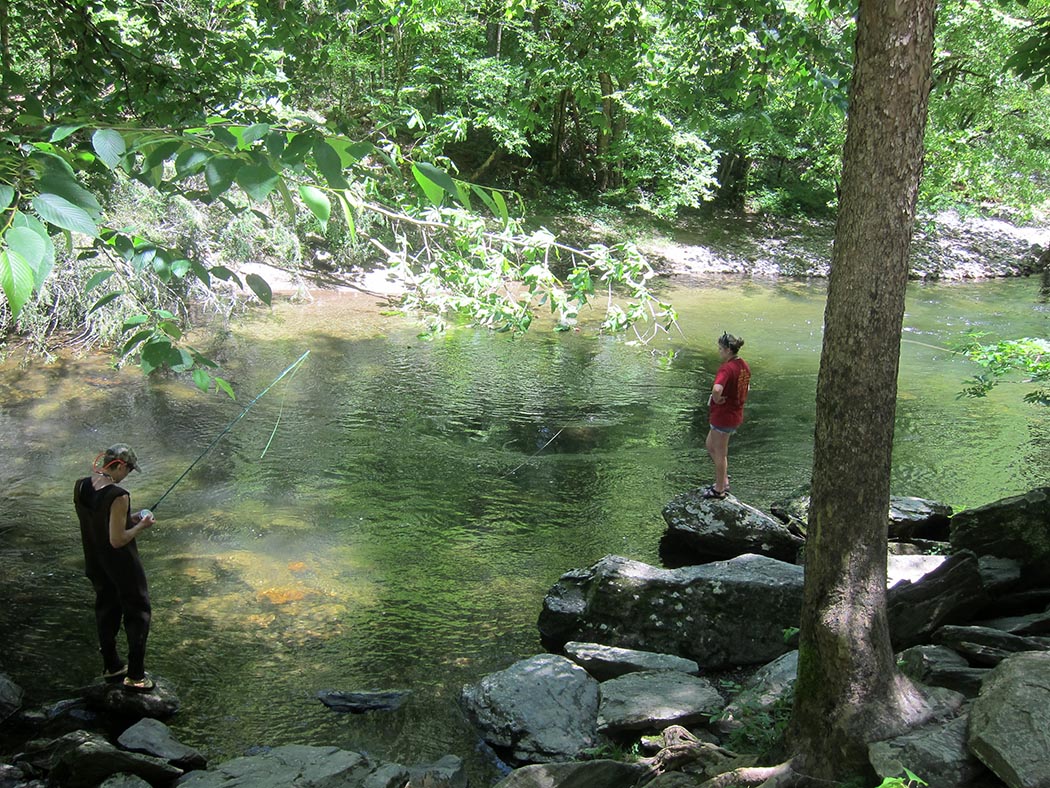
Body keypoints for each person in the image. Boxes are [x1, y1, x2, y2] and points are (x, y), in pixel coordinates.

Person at [73, 444, 157, 691]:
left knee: (106, 609)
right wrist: (142, 526)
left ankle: (112, 667)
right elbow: (118, 540)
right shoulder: (118, 495)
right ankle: (136, 676)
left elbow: (98, 520)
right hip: (121, 565)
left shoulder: (80, 486)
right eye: (129, 470)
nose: (127, 475)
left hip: (96, 563)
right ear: (119, 465)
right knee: (138, 613)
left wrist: (128, 520)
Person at [703, 332, 751, 499]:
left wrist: (717, 399)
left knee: (720, 452)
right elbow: (747, 387)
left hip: (723, 417)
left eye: (720, 349)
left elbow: (717, 389)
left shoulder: (726, 368)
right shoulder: (743, 365)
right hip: (735, 414)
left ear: (728, 350)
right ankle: (723, 479)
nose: (719, 352)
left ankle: (720, 489)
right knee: (710, 446)